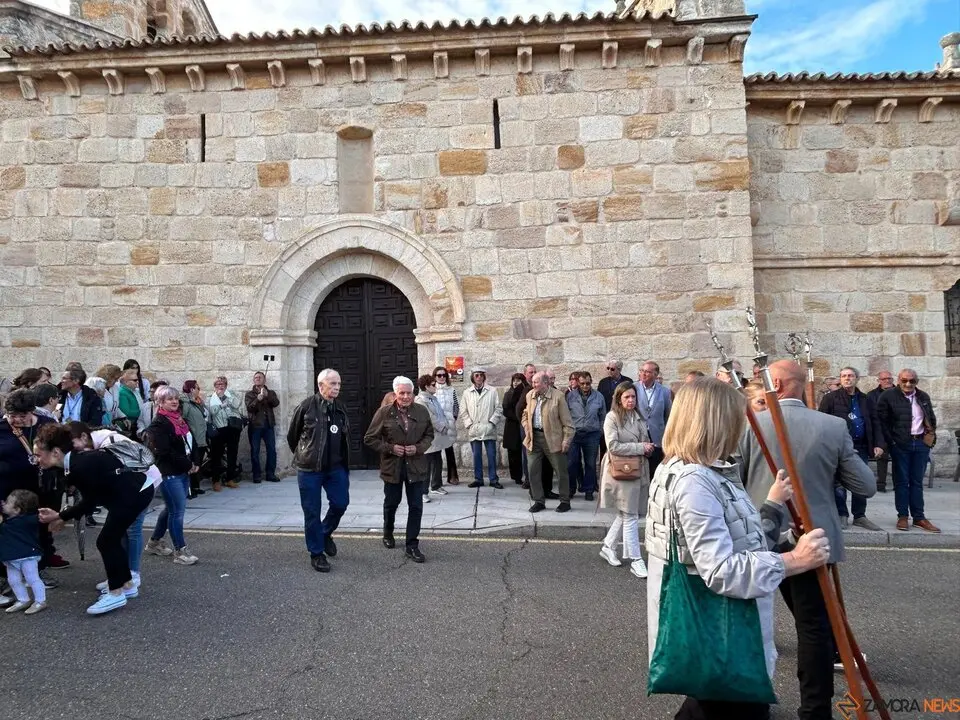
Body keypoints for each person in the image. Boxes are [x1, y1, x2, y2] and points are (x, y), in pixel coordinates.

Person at [647, 378, 832, 720]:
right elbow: (722, 571)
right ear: (715, 423)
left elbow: (738, 540)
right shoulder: (694, 482)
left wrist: (775, 512)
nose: (744, 425)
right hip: (724, 634)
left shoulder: (694, 471)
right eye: (737, 417)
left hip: (719, 634)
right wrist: (795, 560)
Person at [738, 361, 875, 719]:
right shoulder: (832, 426)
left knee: (750, 622)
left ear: (778, 384)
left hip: (760, 538)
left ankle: (750, 702)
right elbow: (865, 485)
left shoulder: (752, 425)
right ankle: (815, 711)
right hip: (813, 538)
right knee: (813, 629)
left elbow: (733, 483)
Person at [34, 424, 155, 615]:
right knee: (111, 539)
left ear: (56, 452)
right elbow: (91, 500)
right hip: (131, 492)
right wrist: (61, 516)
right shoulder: (75, 462)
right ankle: (127, 585)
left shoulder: (79, 466)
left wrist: (60, 516)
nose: (37, 460)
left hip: (133, 495)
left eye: (39, 455)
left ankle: (116, 593)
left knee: (106, 541)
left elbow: (90, 504)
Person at [68, 422, 153, 596]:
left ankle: (133, 575)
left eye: (73, 444)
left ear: (84, 437)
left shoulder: (109, 442)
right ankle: (122, 576)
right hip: (133, 488)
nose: (72, 450)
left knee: (132, 530)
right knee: (117, 534)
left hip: (142, 485)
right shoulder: (98, 446)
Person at [286, 369, 351, 573]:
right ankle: (316, 553)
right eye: (332, 384)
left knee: (341, 503)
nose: (337, 388)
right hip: (310, 470)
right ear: (320, 385)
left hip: (335, 468)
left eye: (339, 384)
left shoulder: (340, 407)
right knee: (312, 511)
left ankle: (324, 532)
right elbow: (292, 436)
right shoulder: (306, 407)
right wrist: (306, 456)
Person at [364, 376, 434, 563]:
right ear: (395, 394)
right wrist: (390, 448)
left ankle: (412, 545)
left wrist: (418, 448)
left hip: (416, 466)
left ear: (413, 393)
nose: (405, 396)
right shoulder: (384, 412)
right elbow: (369, 438)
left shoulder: (421, 411)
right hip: (392, 466)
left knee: (416, 506)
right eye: (401, 393)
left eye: (408, 393)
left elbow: (429, 435)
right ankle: (388, 532)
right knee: (392, 503)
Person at [0, 389, 65, 571]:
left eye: (22, 416)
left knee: (43, 527)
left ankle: (41, 566)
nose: (16, 420)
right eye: (12, 415)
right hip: (11, 490)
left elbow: (61, 451)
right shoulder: (2, 428)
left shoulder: (48, 425)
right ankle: (9, 571)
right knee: (12, 528)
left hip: (44, 486)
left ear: (32, 411)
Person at [818, 367, 885, 531]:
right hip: (838, 446)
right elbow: (821, 422)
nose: (847, 378)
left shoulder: (866, 399)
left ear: (857, 378)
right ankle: (842, 514)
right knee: (838, 482)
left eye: (850, 376)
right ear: (840, 379)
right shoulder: (831, 399)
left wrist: (879, 444)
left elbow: (875, 422)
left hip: (860, 446)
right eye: (844, 376)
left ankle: (860, 516)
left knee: (860, 480)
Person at [598, 383, 653, 578]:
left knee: (625, 513)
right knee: (630, 515)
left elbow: (644, 440)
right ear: (619, 399)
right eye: (626, 397)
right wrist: (640, 447)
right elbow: (612, 446)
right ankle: (636, 560)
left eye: (633, 397)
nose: (631, 400)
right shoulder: (612, 418)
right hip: (621, 472)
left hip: (638, 470)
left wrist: (648, 447)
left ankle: (608, 546)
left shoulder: (637, 417)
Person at [877, 369, 939, 533]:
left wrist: (929, 440)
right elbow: (882, 422)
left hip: (920, 444)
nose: (908, 384)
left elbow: (930, 418)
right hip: (900, 445)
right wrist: (892, 442)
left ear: (916, 382)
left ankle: (919, 517)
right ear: (899, 380)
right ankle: (903, 516)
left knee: (917, 482)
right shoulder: (888, 396)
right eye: (904, 380)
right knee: (902, 482)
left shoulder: (923, 396)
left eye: (912, 381)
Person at [144, 386, 199, 566]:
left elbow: (192, 442)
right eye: (169, 399)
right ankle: (180, 551)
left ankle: (154, 543)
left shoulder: (180, 420)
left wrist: (196, 461)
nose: (174, 401)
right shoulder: (158, 425)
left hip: (182, 471)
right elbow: (164, 452)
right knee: (177, 512)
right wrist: (188, 464)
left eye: (175, 398)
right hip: (169, 473)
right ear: (160, 402)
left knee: (170, 509)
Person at [521, 371, 575, 513]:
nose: (533, 385)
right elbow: (525, 414)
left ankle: (565, 501)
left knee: (561, 471)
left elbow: (568, 422)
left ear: (546, 383)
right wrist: (527, 428)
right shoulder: (530, 395)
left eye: (536, 382)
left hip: (553, 439)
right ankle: (539, 501)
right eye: (532, 382)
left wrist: (566, 440)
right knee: (533, 470)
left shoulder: (558, 397)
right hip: (534, 439)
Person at [0, 489, 47, 614]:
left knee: (32, 578)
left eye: (8, 502)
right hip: (11, 557)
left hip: (28, 556)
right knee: (13, 580)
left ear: (17, 509)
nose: (4, 503)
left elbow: (39, 518)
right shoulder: (7, 520)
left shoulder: (29, 520)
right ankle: (23, 599)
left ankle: (40, 601)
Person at [460, 369, 503, 489]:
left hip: (488, 428)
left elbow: (498, 408)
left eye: (481, 375)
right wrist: (469, 424)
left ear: (484, 377)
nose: (479, 377)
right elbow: (463, 410)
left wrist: (491, 422)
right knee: (477, 455)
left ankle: (493, 479)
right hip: (475, 429)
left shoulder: (492, 391)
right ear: (473, 377)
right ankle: (478, 479)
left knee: (491, 455)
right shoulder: (467, 392)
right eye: (476, 375)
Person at [566, 371, 605, 501]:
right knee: (572, 463)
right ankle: (571, 488)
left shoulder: (599, 396)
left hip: (592, 434)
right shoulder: (570, 396)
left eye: (588, 383)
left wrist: (600, 431)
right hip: (575, 434)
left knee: (590, 464)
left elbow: (602, 416)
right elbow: (566, 415)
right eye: (582, 383)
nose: (585, 386)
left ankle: (589, 489)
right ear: (578, 383)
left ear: (591, 382)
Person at [415, 374, 453, 500]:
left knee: (437, 461)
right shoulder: (421, 400)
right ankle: (423, 492)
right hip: (429, 435)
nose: (435, 386)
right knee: (426, 464)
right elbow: (430, 417)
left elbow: (440, 413)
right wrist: (442, 427)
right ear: (426, 386)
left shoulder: (433, 398)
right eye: (432, 384)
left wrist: (446, 424)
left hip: (438, 435)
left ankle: (436, 486)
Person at [207, 376, 245, 491]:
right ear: (215, 386)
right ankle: (216, 480)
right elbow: (211, 412)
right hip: (219, 428)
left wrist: (227, 397)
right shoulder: (211, 397)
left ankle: (230, 479)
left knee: (232, 454)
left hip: (232, 428)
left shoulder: (231, 394)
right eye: (218, 384)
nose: (220, 386)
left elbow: (237, 405)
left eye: (223, 384)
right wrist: (220, 404)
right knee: (216, 455)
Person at [634, 360, 672, 476]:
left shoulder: (665, 392)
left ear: (655, 375)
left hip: (656, 435)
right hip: (638, 434)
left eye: (647, 372)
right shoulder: (633, 388)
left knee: (654, 469)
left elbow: (668, 415)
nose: (643, 374)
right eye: (642, 371)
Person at [245, 371, 280, 484]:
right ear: (253, 380)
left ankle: (270, 474)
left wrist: (267, 396)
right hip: (255, 425)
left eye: (260, 377)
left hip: (268, 424)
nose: (258, 379)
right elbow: (250, 408)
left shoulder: (270, 392)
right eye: (256, 377)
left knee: (271, 450)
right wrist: (258, 399)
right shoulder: (250, 394)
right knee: (255, 451)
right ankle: (257, 475)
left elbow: (276, 403)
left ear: (264, 380)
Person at [866, 370, 895, 492]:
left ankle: (898, 484)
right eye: (884, 379)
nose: (887, 381)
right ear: (879, 381)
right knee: (882, 458)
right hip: (881, 431)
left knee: (899, 459)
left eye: (889, 378)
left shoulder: (900, 393)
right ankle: (881, 483)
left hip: (897, 431)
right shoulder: (872, 395)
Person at [179, 380, 209, 498]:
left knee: (198, 463)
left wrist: (201, 404)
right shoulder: (186, 403)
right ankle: (189, 489)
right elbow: (183, 418)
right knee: (191, 463)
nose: (199, 390)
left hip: (200, 438)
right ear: (191, 389)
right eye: (197, 388)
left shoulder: (195, 402)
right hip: (193, 438)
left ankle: (195, 486)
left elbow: (204, 414)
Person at [432, 366, 460, 486]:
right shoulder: (432, 390)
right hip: (436, 426)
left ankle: (452, 476)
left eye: (444, 375)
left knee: (449, 451)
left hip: (448, 424)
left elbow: (456, 406)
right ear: (435, 377)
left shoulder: (451, 389)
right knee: (435, 454)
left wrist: (453, 418)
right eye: (439, 375)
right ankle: (436, 480)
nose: (442, 377)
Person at [501, 373, 529, 486]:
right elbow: (506, 410)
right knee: (514, 453)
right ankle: (517, 477)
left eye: (518, 380)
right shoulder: (508, 394)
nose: (515, 382)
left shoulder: (526, 392)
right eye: (514, 380)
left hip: (524, 425)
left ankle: (527, 476)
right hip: (512, 425)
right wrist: (517, 418)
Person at [115, 369, 142, 437]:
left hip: (137, 424)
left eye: (138, 380)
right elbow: (127, 412)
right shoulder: (122, 392)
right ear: (126, 382)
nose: (137, 382)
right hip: (129, 426)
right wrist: (143, 413)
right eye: (135, 380)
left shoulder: (135, 391)